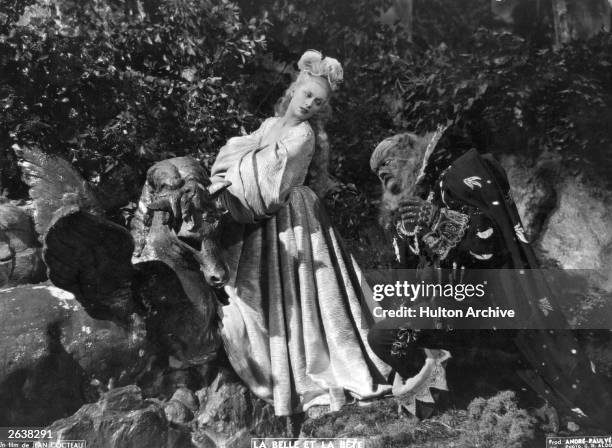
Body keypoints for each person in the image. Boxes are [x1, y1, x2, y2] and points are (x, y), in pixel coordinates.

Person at [367, 133, 612, 428]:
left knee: (387, 336)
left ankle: (489, 393)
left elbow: (490, 244)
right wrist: (408, 238)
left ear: (404, 156)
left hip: (490, 310)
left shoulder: (458, 176)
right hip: (450, 311)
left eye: (385, 173)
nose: (386, 186)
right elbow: (413, 272)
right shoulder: (423, 194)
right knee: (386, 336)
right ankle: (463, 393)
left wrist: (436, 219)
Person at [209, 50, 391, 417]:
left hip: (293, 217)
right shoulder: (267, 125)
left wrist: (237, 164)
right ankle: (275, 367)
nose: (310, 104)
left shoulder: (303, 136)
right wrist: (236, 162)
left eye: (319, 102)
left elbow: (268, 183)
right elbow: (235, 158)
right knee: (251, 296)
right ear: (294, 90)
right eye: (307, 94)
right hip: (261, 222)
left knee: (302, 295)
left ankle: (308, 374)